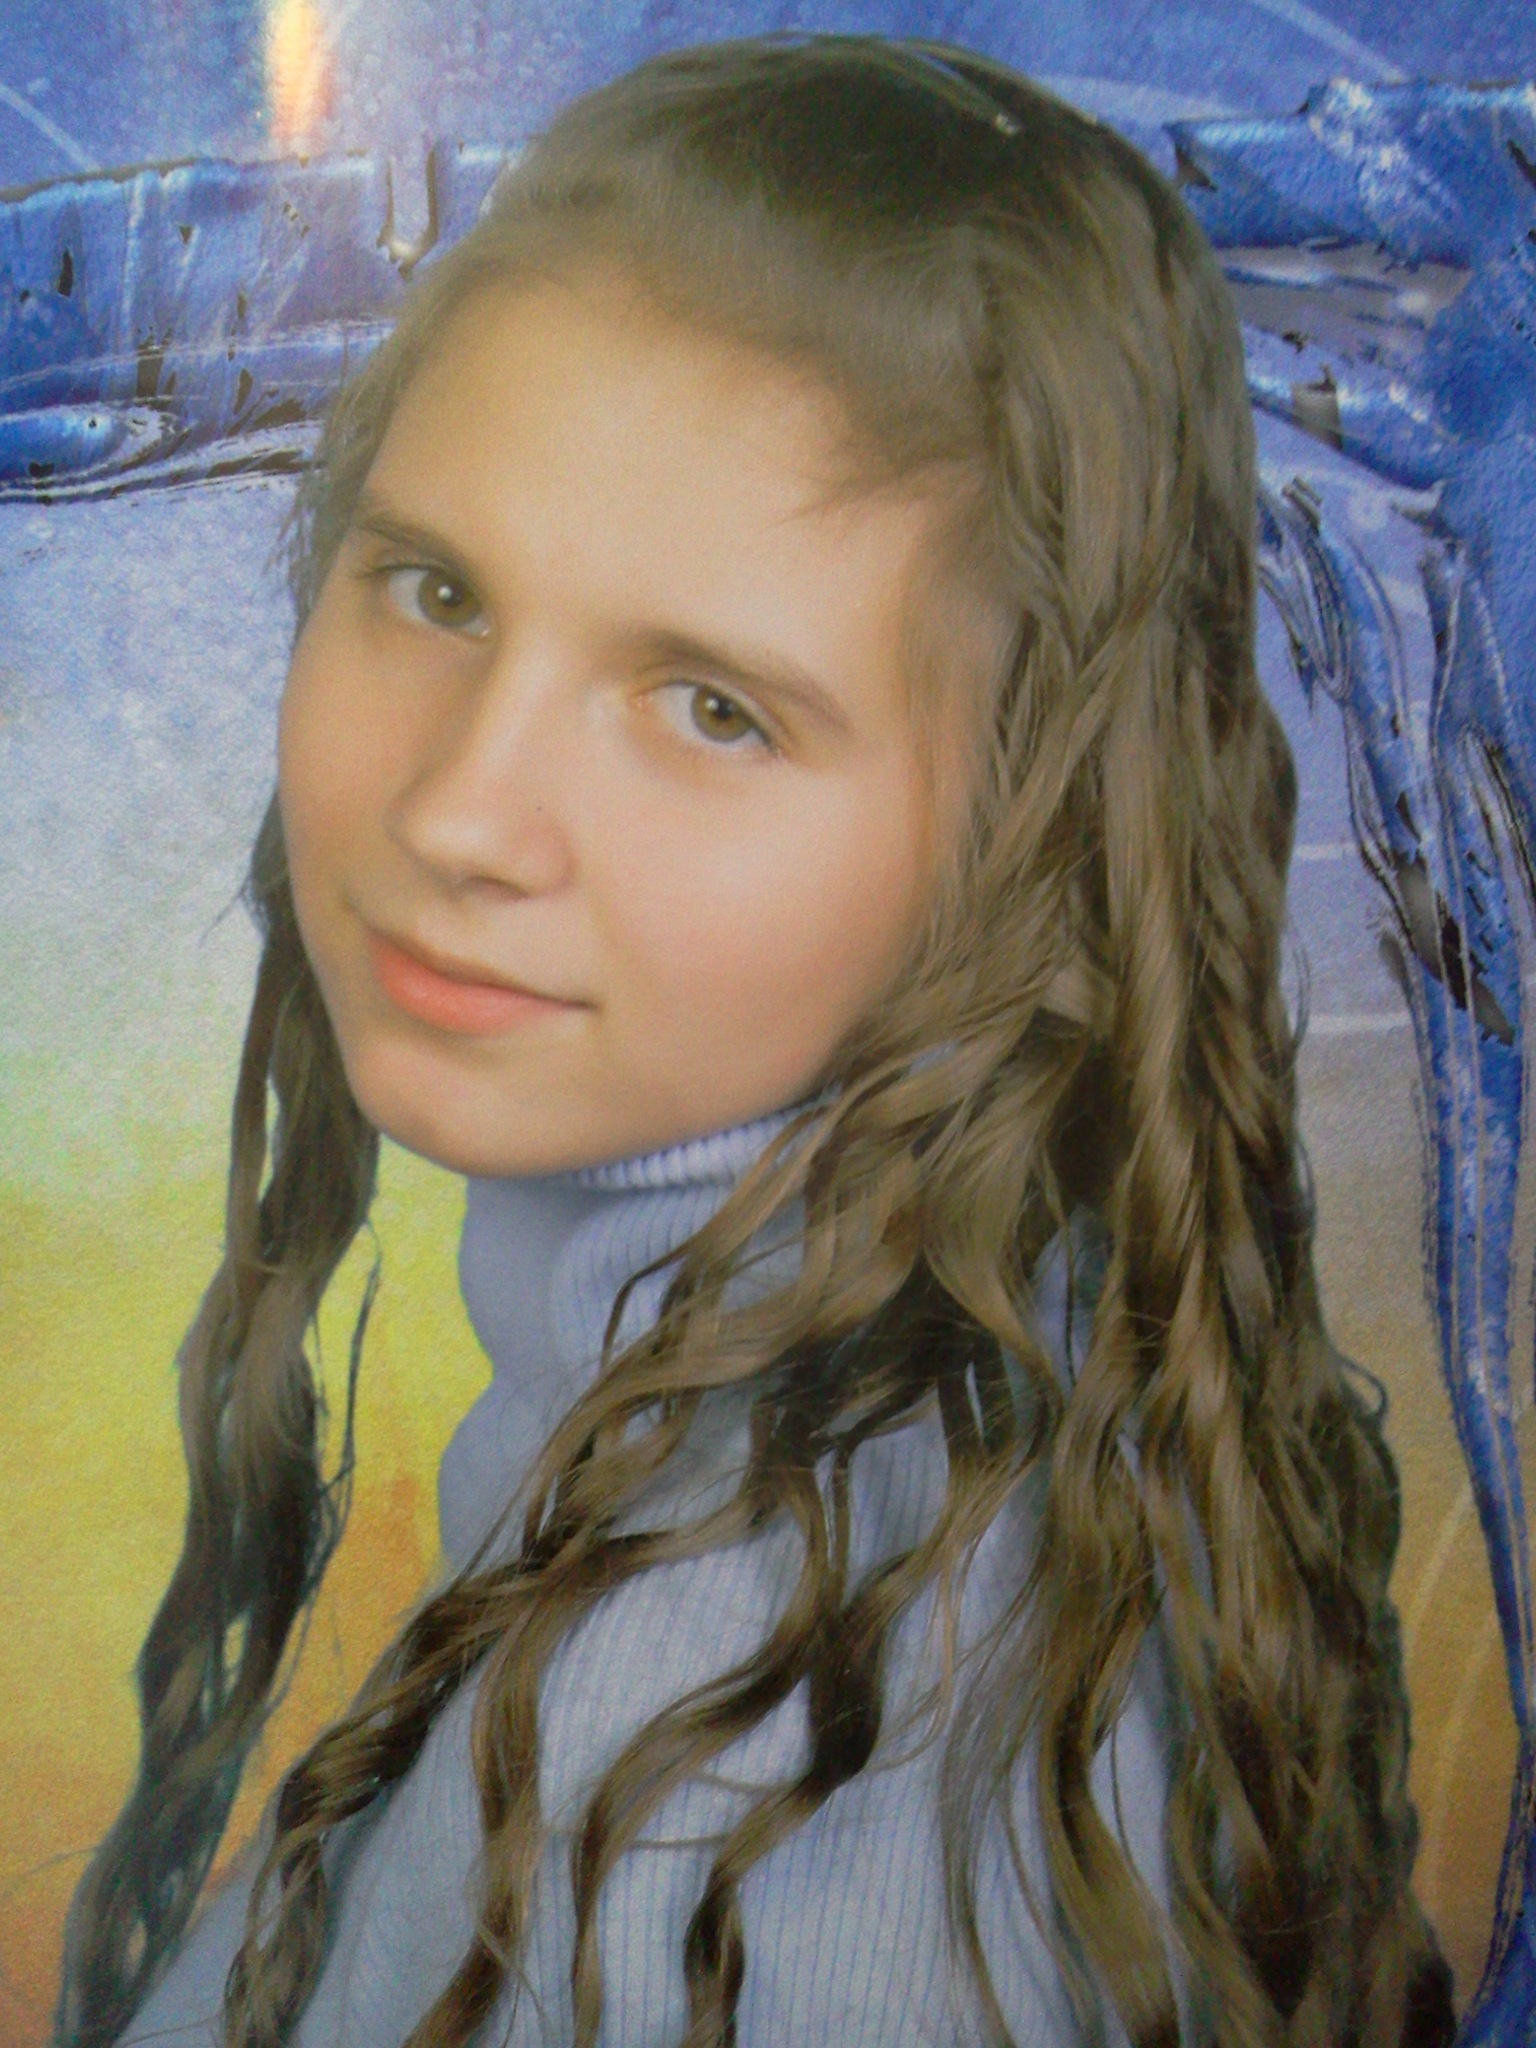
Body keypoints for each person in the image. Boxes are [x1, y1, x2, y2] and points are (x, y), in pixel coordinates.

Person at [54, 32, 1455, 2048]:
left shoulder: (753, 1739)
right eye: (435, 590)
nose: (460, 810)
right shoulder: (859, 1428)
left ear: (1023, 837)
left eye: (713, 706)